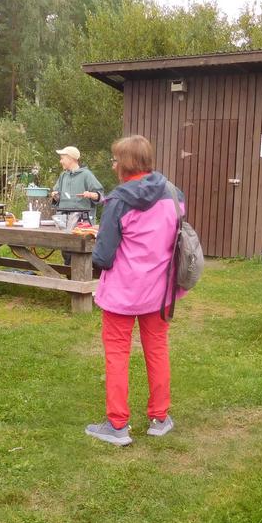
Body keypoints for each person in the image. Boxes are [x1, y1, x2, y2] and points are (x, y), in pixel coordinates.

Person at [85, 135, 184, 446]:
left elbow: (103, 257)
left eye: (115, 160)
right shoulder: (174, 193)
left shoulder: (117, 201)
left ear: (125, 164)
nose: (113, 165)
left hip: (123, 292)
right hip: (159, 290)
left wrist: (101, 237)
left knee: (117, 354)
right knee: (157, 349)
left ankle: (117, 425)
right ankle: (160, 418)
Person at [50, 146, 103, 223]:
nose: (60, 161)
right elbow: (57, 198)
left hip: (82, 223)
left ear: (70, 159)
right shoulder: (63, 175)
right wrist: (55, 196)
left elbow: (101, 197)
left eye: (62, 158)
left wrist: (91, 195)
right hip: (63, 222)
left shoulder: (86, 174)